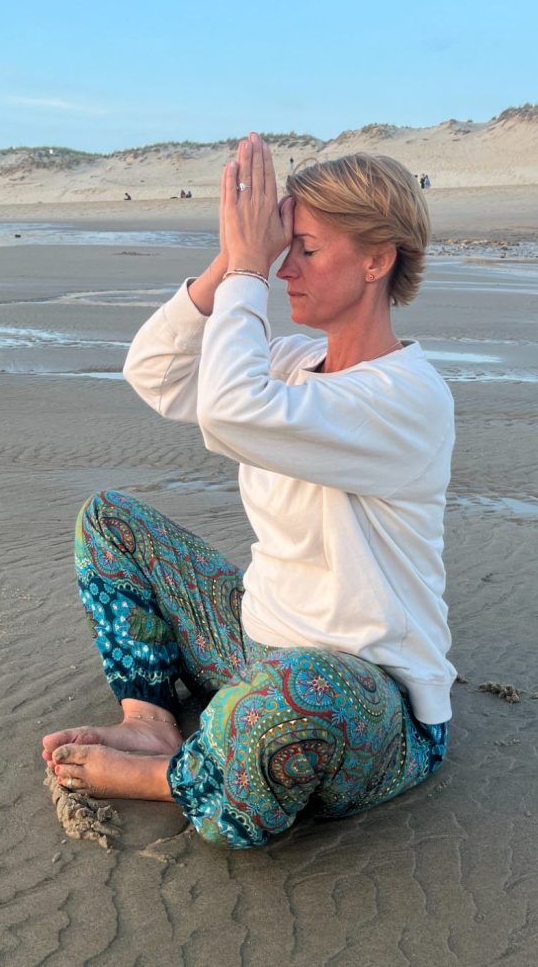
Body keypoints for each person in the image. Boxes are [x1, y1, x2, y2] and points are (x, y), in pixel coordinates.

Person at [42, 133, 456, 849]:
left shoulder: (406, 398)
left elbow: (232, 407)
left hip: (366, 701)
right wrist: (229, 264)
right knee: (109, 522)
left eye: (306, 249)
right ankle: (151, 720)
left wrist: (246, 273)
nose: (283, 268)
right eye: (280, 248)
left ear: (377, 260)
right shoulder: (292, 362)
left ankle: (170, 776)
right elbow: (155, 373)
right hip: (251, 642)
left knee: (294, 695)